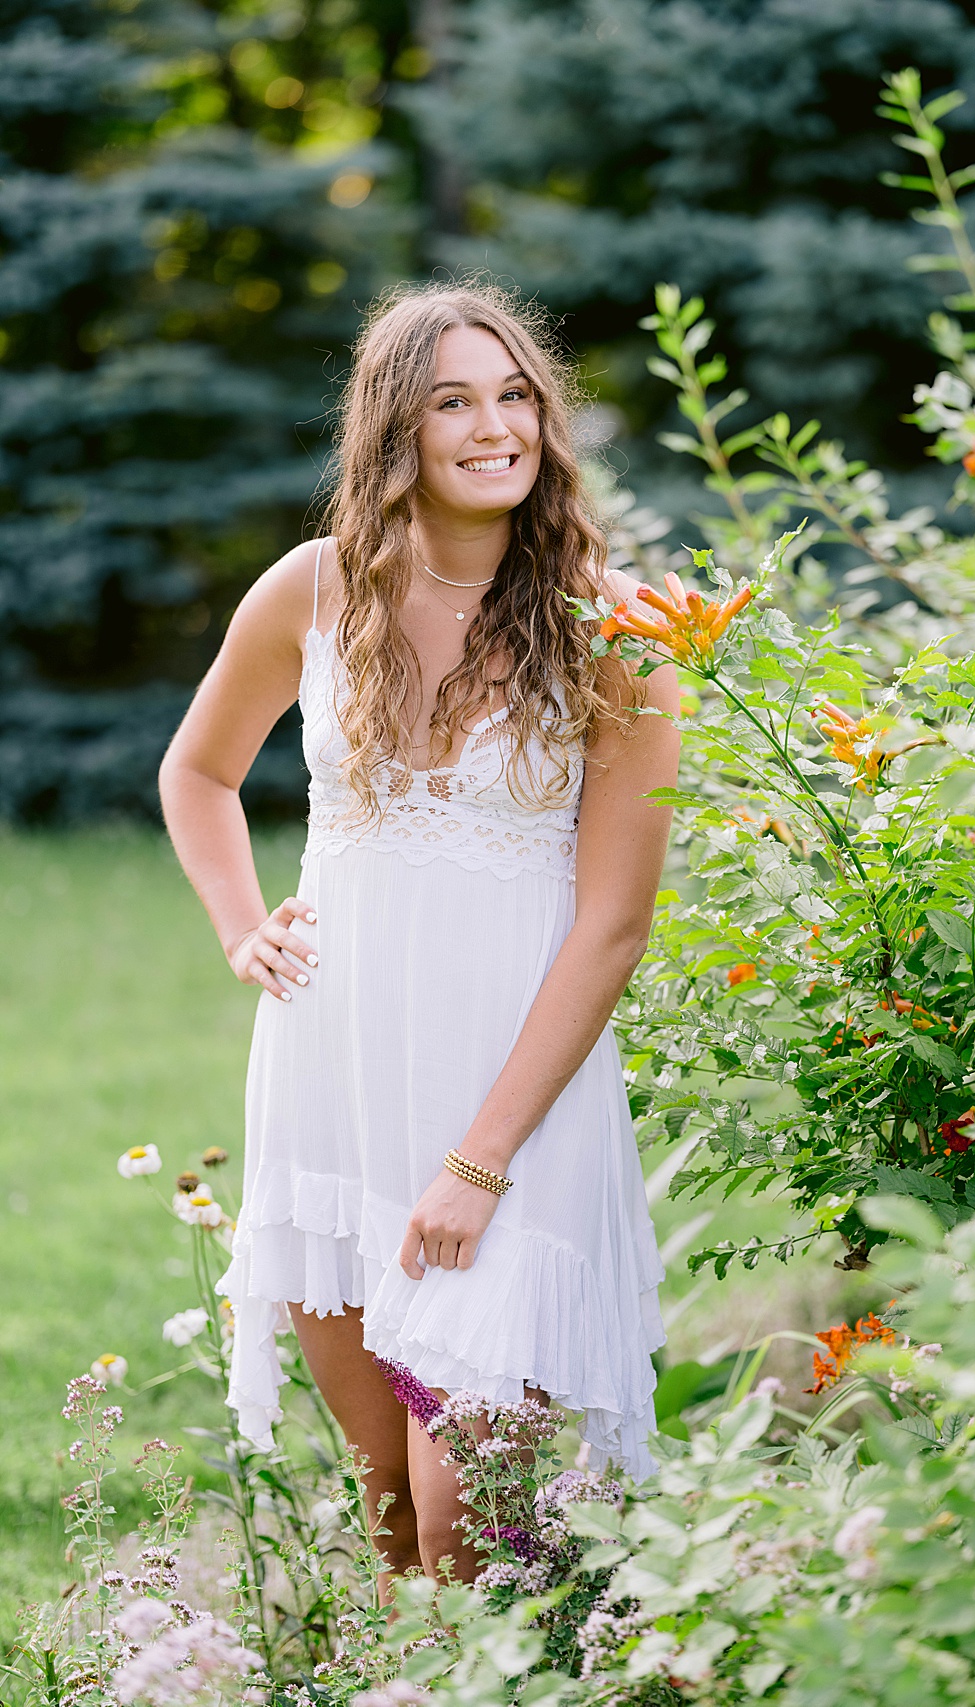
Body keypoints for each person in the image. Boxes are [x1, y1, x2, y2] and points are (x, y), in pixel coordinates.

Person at [158, 282, 679, 1586]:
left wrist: (481, 1162)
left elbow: (613, 926)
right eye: (453, 401)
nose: (493, 426)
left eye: (514, 397)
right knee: (390, 1498)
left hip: (511, 1110)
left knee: (476, 1521)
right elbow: (198, 773)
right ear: (397, 431)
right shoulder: (314, 592)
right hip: (332, 1078)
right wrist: (241, 928)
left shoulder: (614, 631)